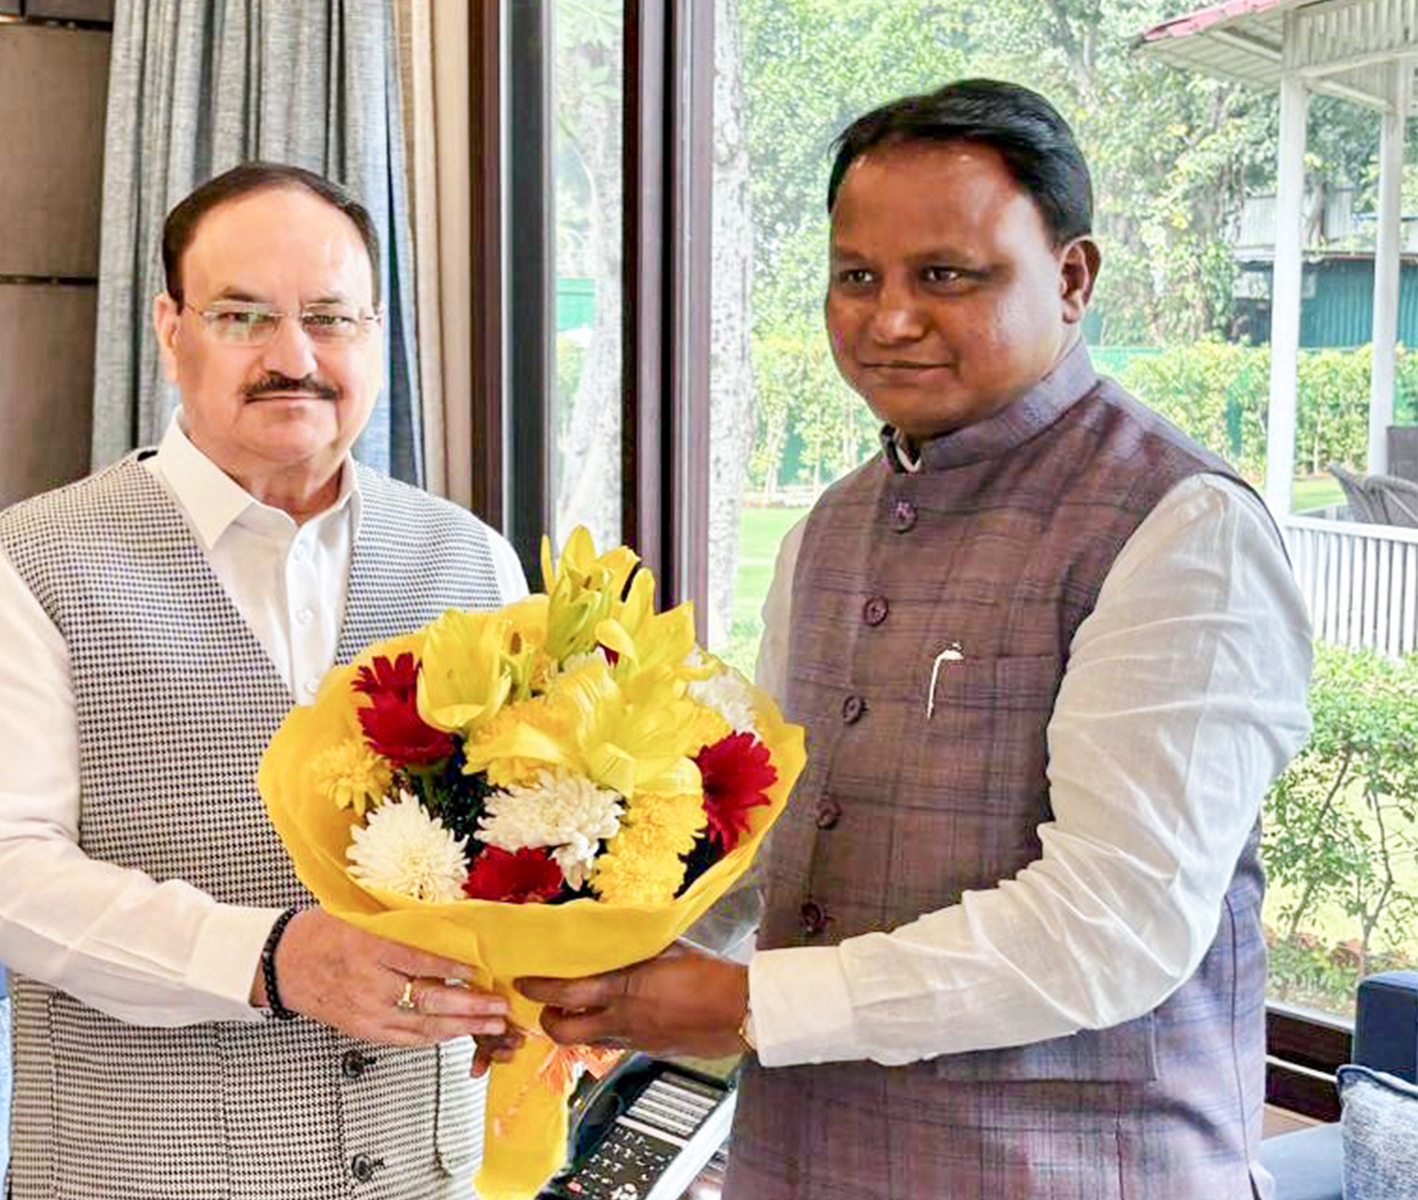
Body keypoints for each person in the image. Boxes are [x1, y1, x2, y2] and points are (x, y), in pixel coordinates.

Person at [521, 79, 1313, 1198]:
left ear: (1072, 278)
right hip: (800, 1161)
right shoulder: (829, 529)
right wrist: (571, 960)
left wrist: (743, 1001)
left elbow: (1110, 927)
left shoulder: (1180, 528)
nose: (888, 318)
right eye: (857, 277)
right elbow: (777, 838)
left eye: (946, 274)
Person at [0, 162, 525, 1199]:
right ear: (171, 329)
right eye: (243, 316)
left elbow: (524, 850)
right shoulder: (32, 558)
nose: (293, 358)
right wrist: (270, 956)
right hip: (141, 1174)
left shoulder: (473, 563)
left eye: (330, 318)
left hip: (427, 1170)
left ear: (377, 332)